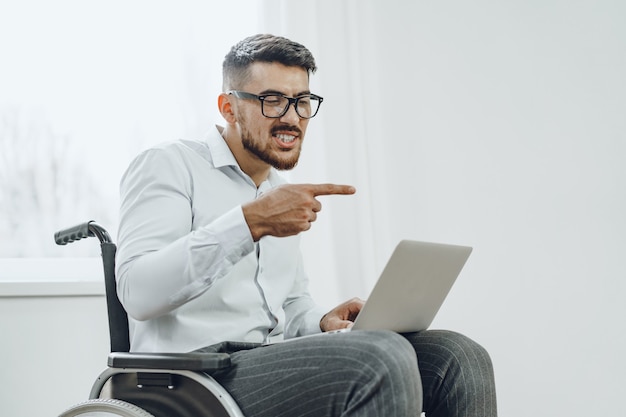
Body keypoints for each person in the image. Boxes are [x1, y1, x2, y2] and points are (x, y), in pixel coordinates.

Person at [116, 33, 497, 416]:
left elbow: (289, 303)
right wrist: (250, 222)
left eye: (301, 102)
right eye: (272, 101)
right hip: (191, 380)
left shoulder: (278, 191)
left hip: (264, 364)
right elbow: (138, 293)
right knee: (379, 357)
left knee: (457, 356)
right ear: (228, 108)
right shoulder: (169, 164)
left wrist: (321, 320)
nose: (292, 117)